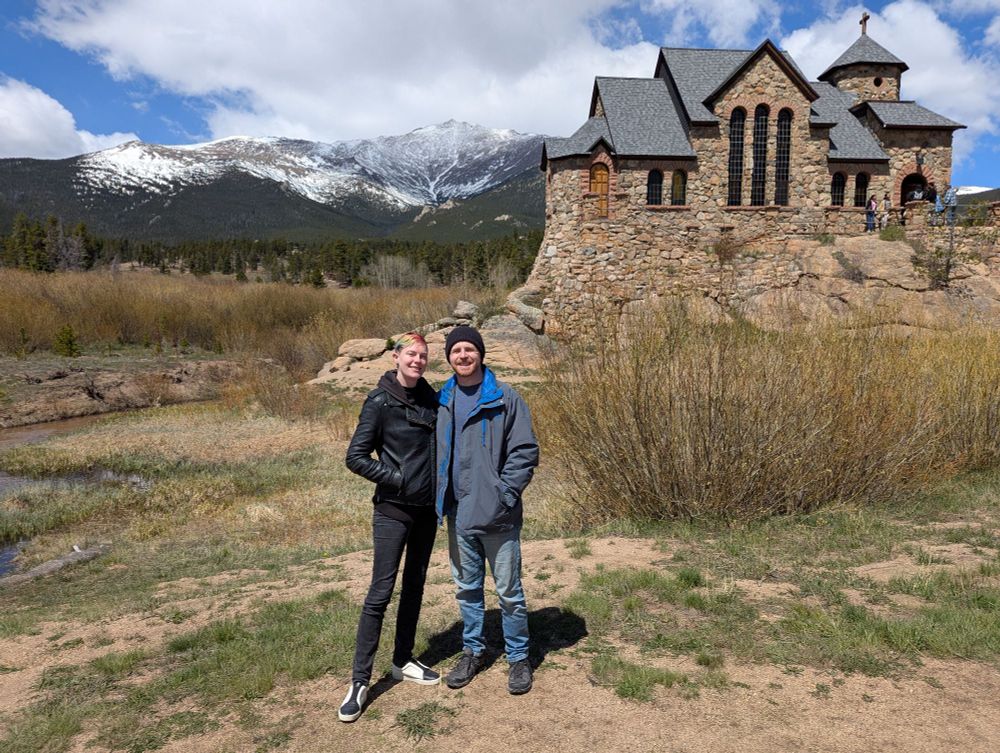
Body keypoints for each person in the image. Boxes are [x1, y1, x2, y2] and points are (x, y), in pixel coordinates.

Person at [340, 332, 440, 723]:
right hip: (393, 510)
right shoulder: (379, 401)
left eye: (423, 356)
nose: (417, 360)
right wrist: (396, 478)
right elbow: (356, 456)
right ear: (396, 357)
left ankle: (403, 659)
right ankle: (360, 681)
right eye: (411, 354)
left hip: (426, 513)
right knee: (380, 593)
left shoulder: (431, 399)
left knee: (414, 584)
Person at [435, 326, 539, 695]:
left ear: (480, 354)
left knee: (509, 592)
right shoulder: (442, 399)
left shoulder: (505, 397)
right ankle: (473, 651)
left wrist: (504, 493)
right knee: (466, 589)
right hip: (458, 514)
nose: (463, 356)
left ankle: (518, 658)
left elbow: (525, 451)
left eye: (469, 349)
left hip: (498, 515)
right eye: (456, 350)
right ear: (448, 357)